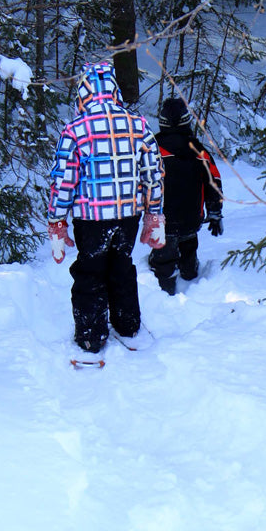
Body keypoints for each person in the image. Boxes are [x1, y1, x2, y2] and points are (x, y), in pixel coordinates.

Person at [47, 62, 166, 353]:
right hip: (128, 215)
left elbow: (64, 179)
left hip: (91, 219)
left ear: (83, 93)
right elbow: (153, 172)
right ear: (114, 91)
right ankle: (128, 324)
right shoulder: (138, 125)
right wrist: (154, 213)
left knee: (91, 270)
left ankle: (91, 334)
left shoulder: (75, 130)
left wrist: (57, 220)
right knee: (122, 265)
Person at [148, 97, 223, 295]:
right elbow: (214, 182)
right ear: (186, 120)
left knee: (163, 259)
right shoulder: (199, 150)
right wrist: (215, 212)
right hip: (191, 217)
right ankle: (189, 275)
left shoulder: (152, 150)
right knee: (188, 248)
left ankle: (165, 293)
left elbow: (140, 181)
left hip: (162, 220)